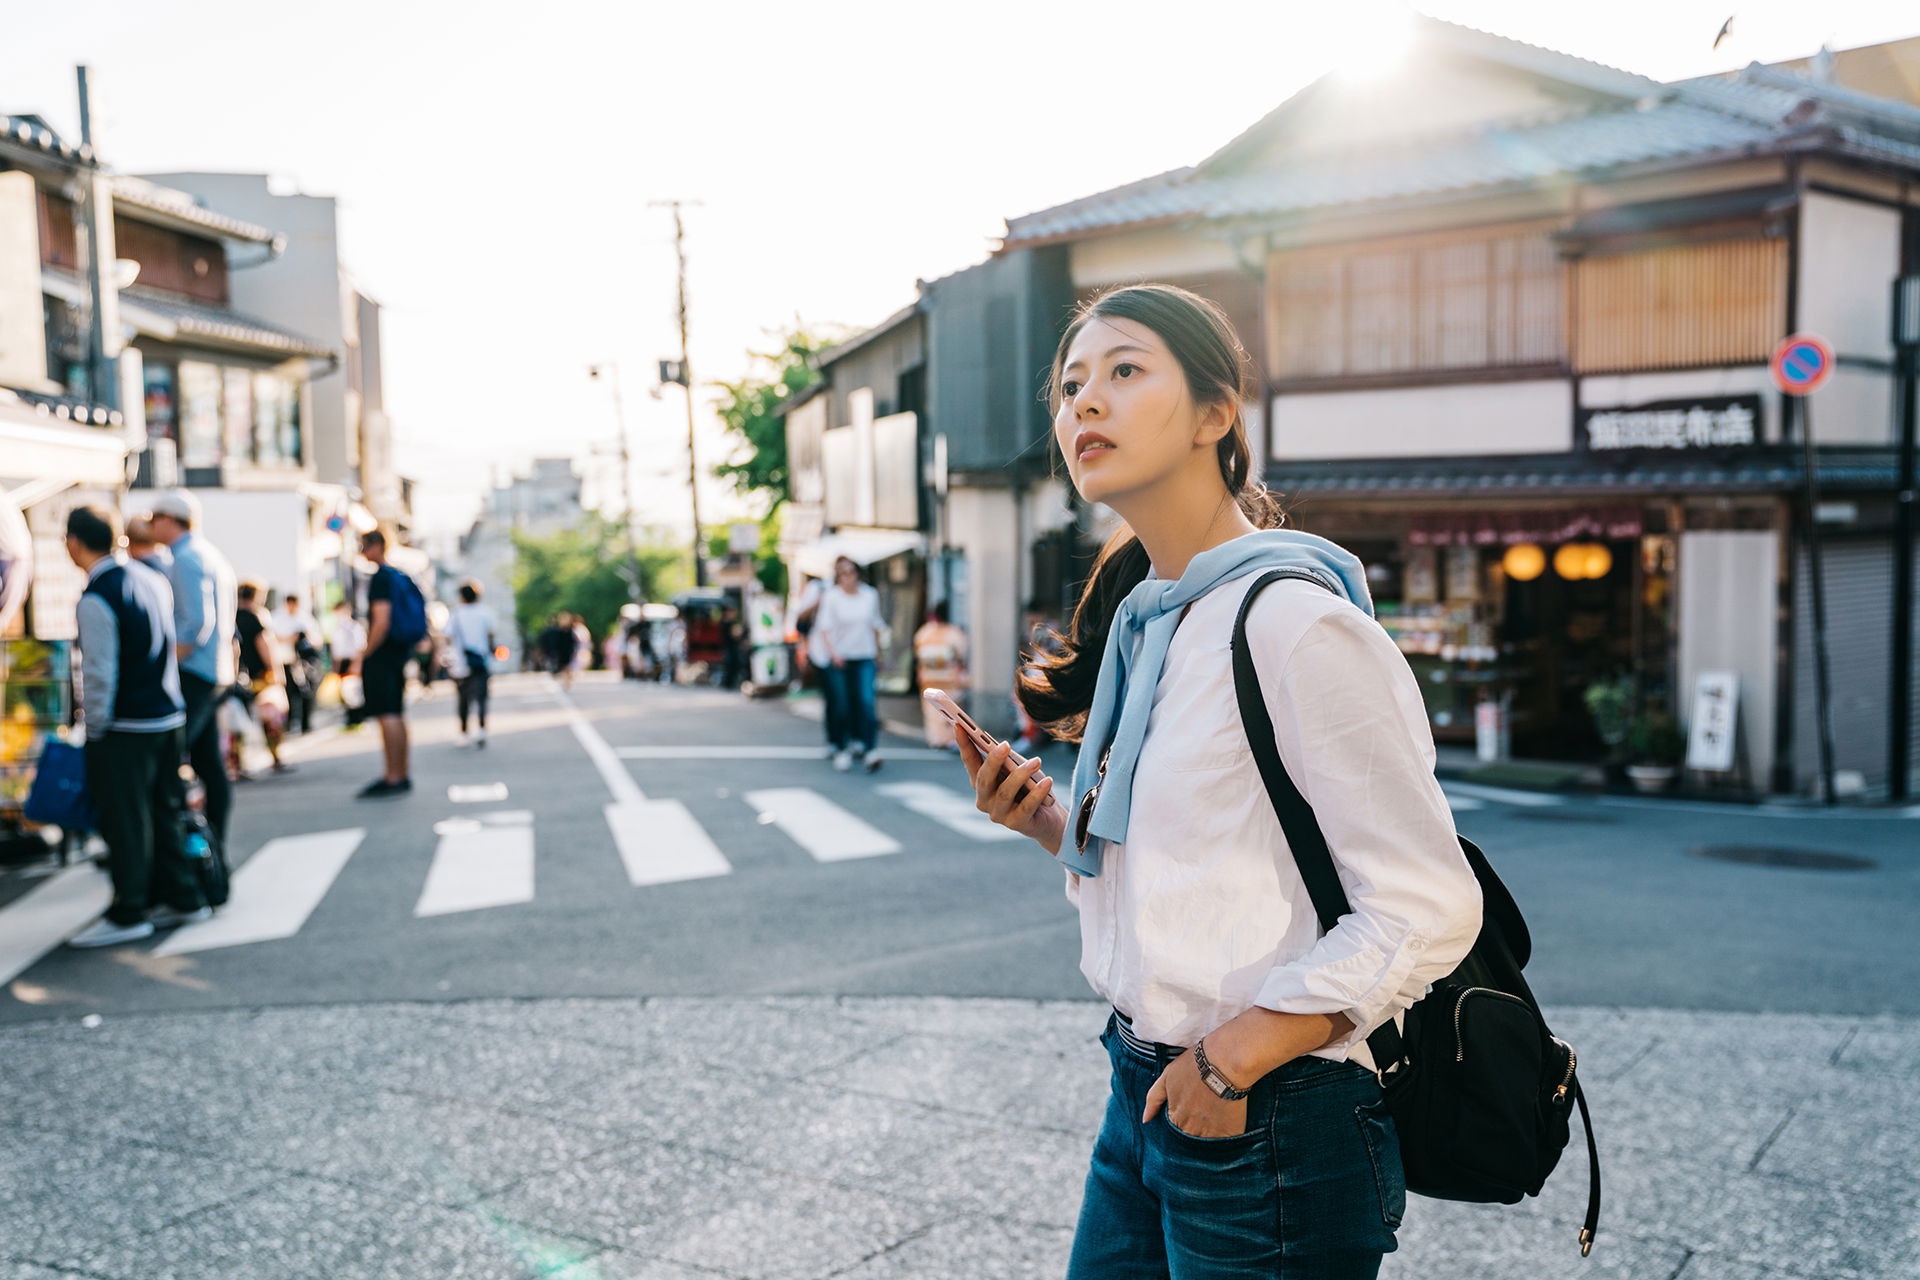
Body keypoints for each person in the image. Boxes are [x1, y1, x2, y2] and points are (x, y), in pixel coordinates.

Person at [959, 284, 1484, 1278]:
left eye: (1123, 371)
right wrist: (1050, 825)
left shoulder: (1296, 624)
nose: (1085, 406)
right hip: (1141, 1087)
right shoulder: (1148, 624)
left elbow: (1426, 901)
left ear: (1215, 413)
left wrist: (1235, 1056)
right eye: (1071, 387)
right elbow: (1199, 874)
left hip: (1270, 1107)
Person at [62, 505, 207, 949]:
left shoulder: (97, 595)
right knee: (165, 810)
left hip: (126, 725)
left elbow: (100, 672)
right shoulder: (150, 578)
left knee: (125, 819)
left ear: (73, 543)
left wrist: (95, 728)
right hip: (168, 714)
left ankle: (131, 909)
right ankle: (183, 895)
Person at [149, 488, 237, 854]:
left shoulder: (186, 558)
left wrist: (165, 662)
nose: (152, 525)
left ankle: (182, 848)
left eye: (155, 518)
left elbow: (196, 624)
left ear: (171, 520)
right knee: (208, 763)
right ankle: (212, 843)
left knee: (168, 760)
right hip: (216, 672)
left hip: (195, 673)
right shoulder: (208, 553)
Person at [815, 555, 886, 773]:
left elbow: (875, 624)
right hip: (840, 658)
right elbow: (824, 629)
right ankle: (842, 748)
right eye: (843, 574)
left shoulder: (869, 595)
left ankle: (870, 747)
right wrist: (834, 654)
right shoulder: (832, 596)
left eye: (851, 572)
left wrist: (878, 652)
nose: (848, 577)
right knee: (842, 704)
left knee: (866, 701)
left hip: (864, 655)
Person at [356, 529, 414, 797]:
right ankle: (401, 773)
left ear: (377, 546)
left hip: (384, 652)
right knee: (397, 713)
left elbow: (381, 620)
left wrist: (366, 652)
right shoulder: (397, 574)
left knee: (387, 714)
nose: (362, 551)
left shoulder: (380, 579)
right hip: (399, 650)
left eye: (364, 546)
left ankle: (392, 775)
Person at [232, 582, 292, 776]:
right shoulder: (256, 617)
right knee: (270, 717)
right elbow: (264, 645)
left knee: (236, 720)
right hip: (261, 674)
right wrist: (275, 671)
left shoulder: (231, 616)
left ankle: (236, 764)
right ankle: (275, 757)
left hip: (238, 676)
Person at [913, 601, 969, 750]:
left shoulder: (925, 632)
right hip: (949, 677)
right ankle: (951, 739)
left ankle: (936, 739)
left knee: (932, 710)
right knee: (951, 709)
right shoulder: (955, 633)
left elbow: (919, 654)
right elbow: (961, 655)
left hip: (929, 676)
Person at [446, 580, 496, 747]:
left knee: (463, 698)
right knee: (481, 697)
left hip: (461, 662)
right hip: (481, 660)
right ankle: (482, 730)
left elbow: (448, 636)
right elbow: (490, 635)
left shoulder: (456, 614)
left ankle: (464, 733)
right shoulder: (484, 613)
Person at [793, 576, 840, 748]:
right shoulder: (819, 588)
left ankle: (857, 739)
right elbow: (800, 621)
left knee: (854, 699)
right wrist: (819, 602)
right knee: (834, 698)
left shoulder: (864, 593)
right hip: (824, 655)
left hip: (852, 654)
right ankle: (835, 740)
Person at [272, 593, 321, 734]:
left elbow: (316, 638)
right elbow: (272, 637)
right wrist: (289, 639)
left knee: (306, 692)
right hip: (286, 660)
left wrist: (303, 639)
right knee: (289, 692)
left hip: (303, 662)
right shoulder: (278, 618)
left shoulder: (305, 618)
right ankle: (289, 722)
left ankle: (306, 722)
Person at [328, 599, 367, 728]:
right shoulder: (337, 629)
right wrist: (335, 667)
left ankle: (358, 719)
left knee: (354, 691)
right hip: (342, 663)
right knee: (345, 691)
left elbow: (360, 648)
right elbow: (336, 651)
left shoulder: (355, 627)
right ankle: (350, 718)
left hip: (353, 660)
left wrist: (357, 664)